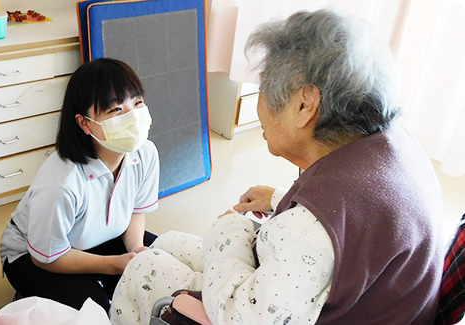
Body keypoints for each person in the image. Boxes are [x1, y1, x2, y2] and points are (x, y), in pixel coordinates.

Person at [110, 9, 444, 325]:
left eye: (265, 88)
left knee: (145, 266)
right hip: (352, 301)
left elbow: (239, 316)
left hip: (258, 311)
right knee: (167, 242)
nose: (261, 103)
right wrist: (280, 198)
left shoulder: (309, 229)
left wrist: (231, 229)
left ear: (304, 104)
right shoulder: (394, 144)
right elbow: (354, 225)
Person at [0, 58, 160, 313]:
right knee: (95, 310)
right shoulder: (61, 183)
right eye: (116, 109)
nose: (133, 116)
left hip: (98, 236)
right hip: (34, 256)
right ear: (85, 123)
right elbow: (46, 257)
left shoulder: (146, 153)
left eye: (138, 102)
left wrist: (135, 249)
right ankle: (29, 294)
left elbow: (136, 210)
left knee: (159, 266)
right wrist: (115, 265)